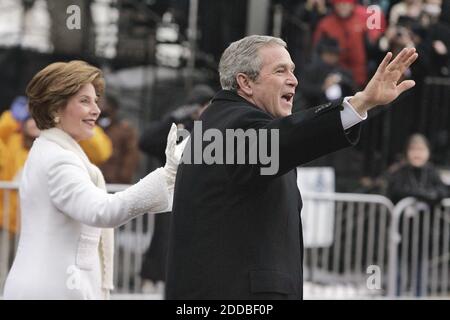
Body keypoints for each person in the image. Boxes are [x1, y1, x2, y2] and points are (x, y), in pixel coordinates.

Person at [165, 35, 418, 299]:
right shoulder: (232, 125)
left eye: (293, 71)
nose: (294, 80)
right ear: (245, 82)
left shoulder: (220, 124)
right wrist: (360, 103)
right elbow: (288, 137)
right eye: (280, 70)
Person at [3, 60, 182, 300]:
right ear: (56, 109)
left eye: (96, 100)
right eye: (84, 101)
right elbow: (103, 210)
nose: (96, 109)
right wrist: (168, 174)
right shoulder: (58, 160)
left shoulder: (51, 150)